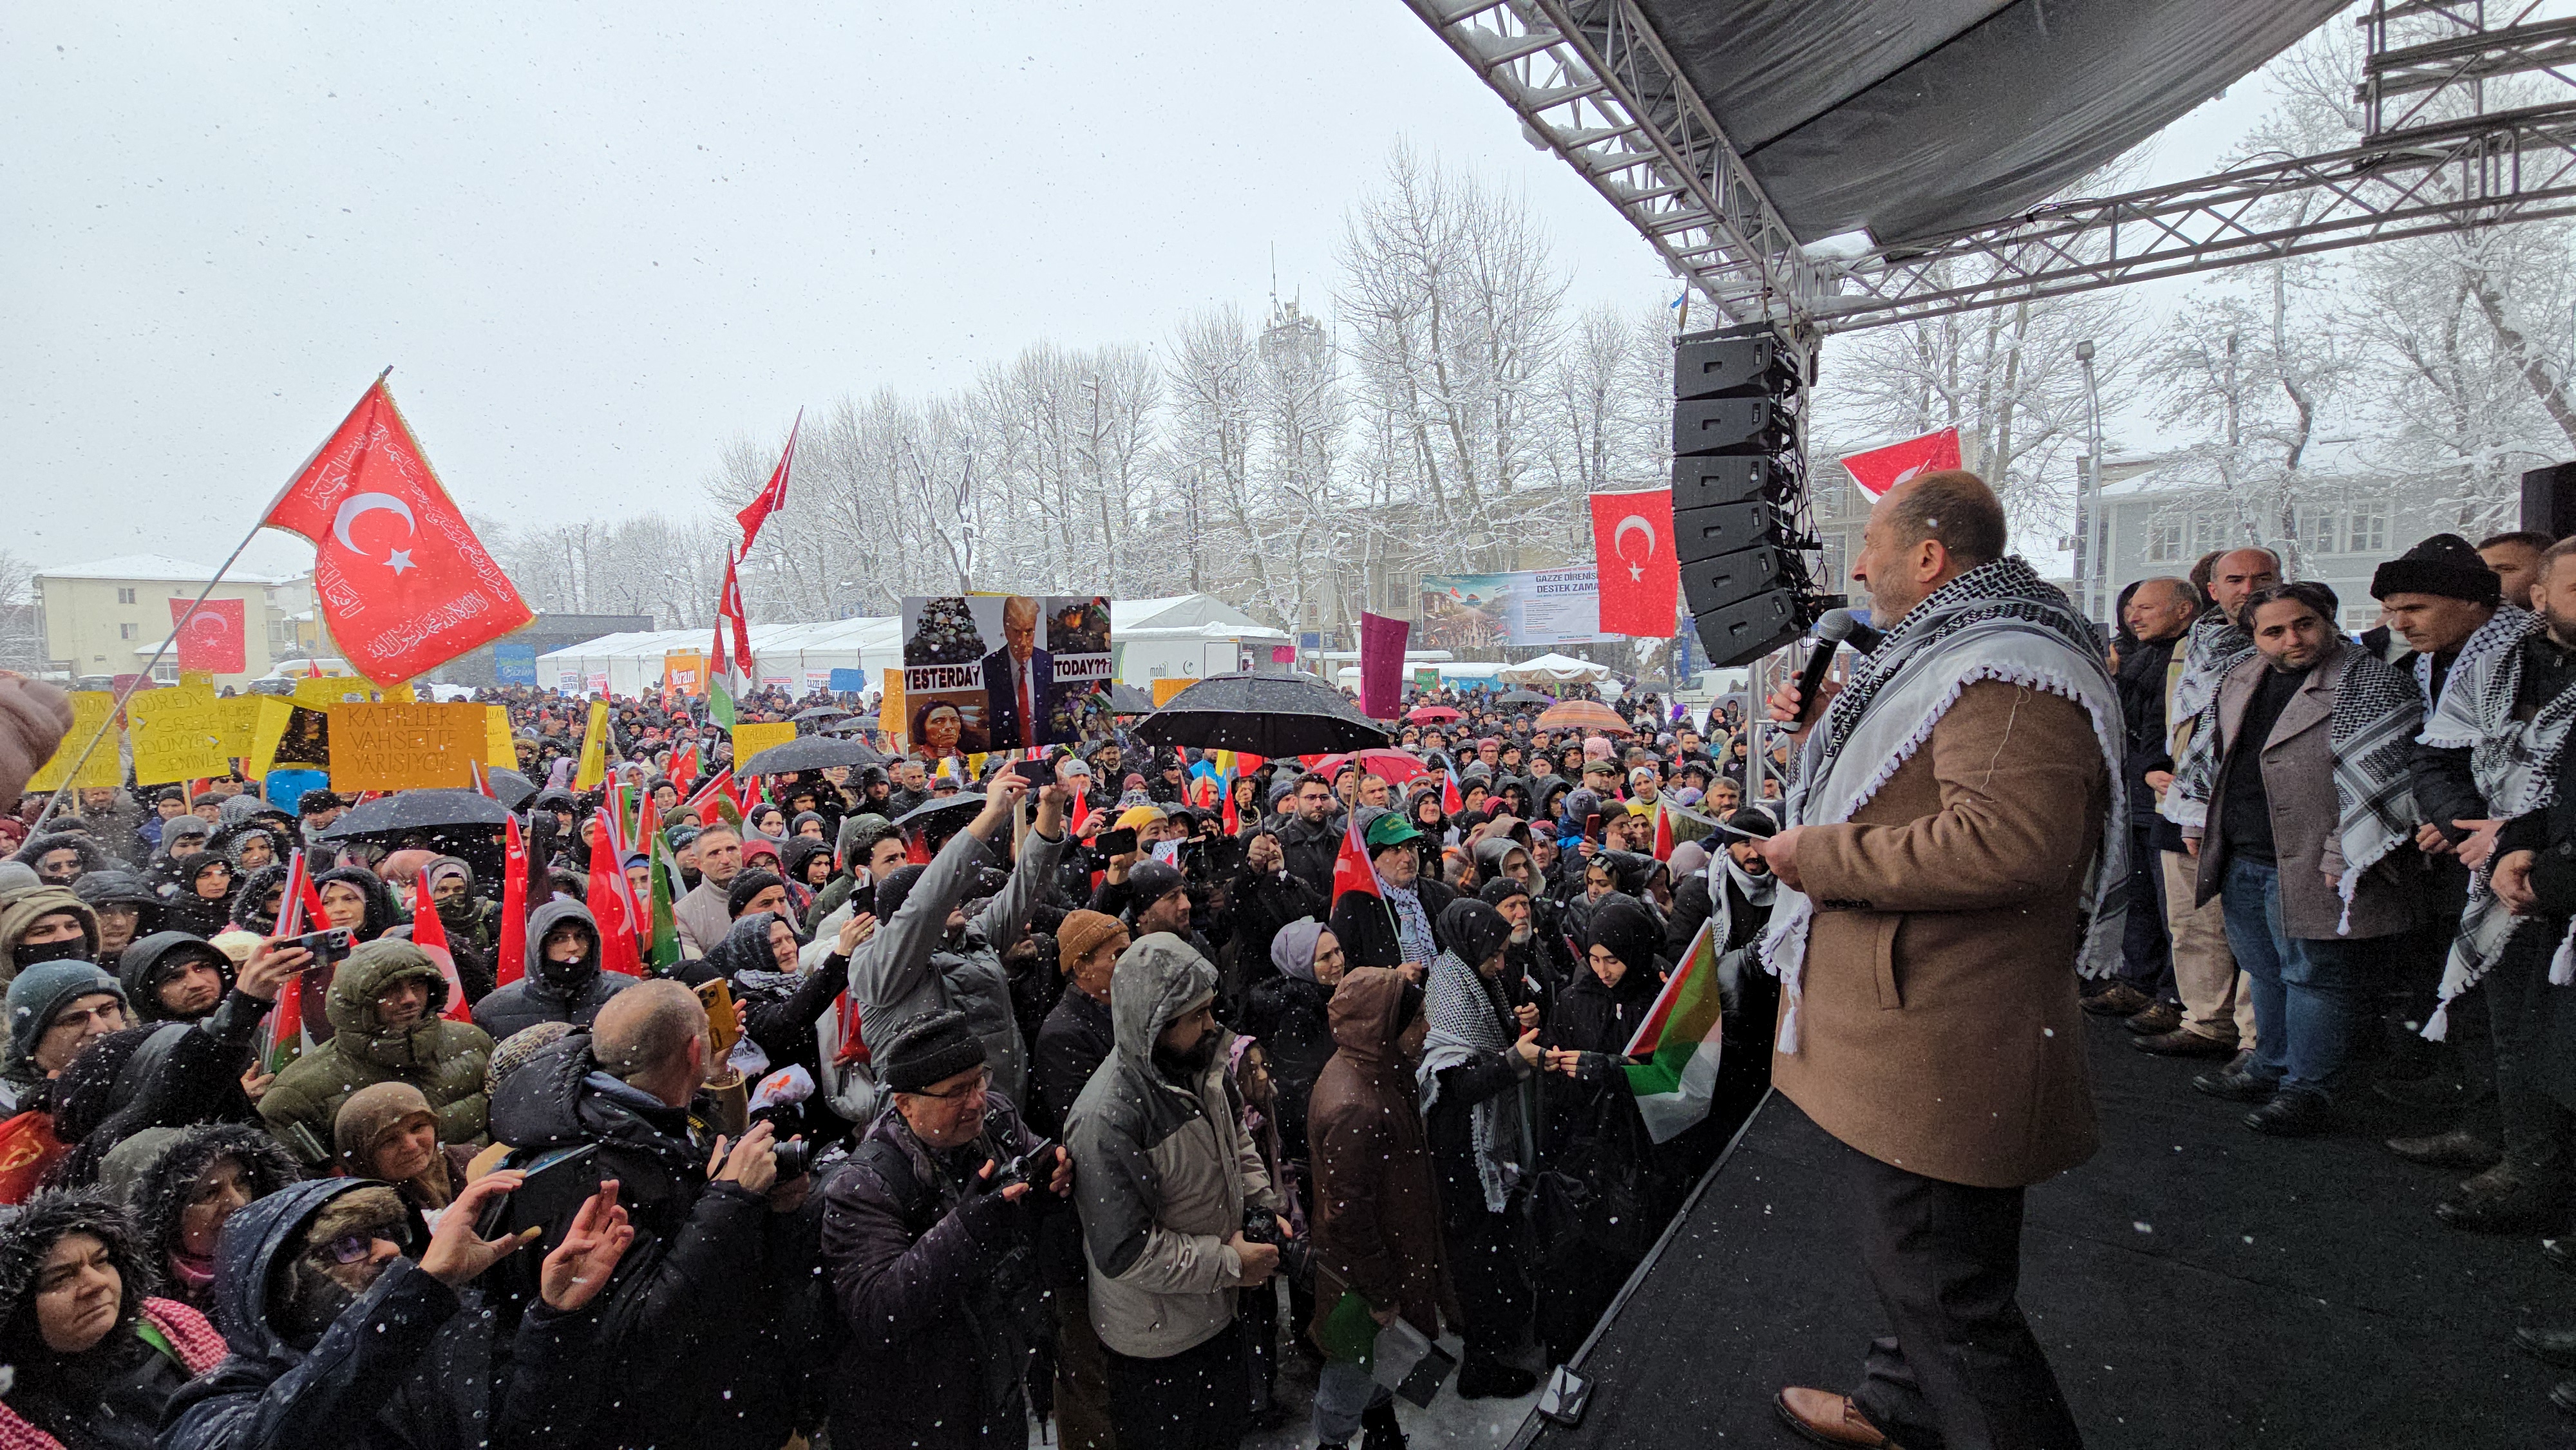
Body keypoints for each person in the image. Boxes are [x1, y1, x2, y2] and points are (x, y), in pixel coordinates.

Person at [1758, 470, 2116, 1450]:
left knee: (1949, 1297)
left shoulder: (2004, 667)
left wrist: (1819, 856)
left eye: (1872, 547)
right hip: (1927, 1019)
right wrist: (1830, 721)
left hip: (1948, 1033)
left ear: (1929, 557)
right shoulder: (1945, 653)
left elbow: (2011, 842)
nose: (1860, 567)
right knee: (1919, 1267)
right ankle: (1902, 1405)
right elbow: (1910, 787)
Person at [480, 979, 820, 1450]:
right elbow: (642, 1340)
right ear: (693, 1048)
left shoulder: (639, 1118)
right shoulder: (595, 1175)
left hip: (729, 1399)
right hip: (676, 1426)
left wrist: (770, 1205)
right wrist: (727, 1199)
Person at [159, 1171, 634, 1450]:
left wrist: (556, 1318)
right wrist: (419, 1292)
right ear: (279, 1284)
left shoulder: (440, 1334)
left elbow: (527, 1438)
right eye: (349, 1244)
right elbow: (290, 1431)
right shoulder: (218, 1401)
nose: (388, 1251)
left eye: (391, 1233)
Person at [1065, 933, 1286, 1450]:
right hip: (1156, 1343)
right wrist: (1231, 1265)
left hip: (1215, 1316)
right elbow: (1126, 1251)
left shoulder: (1198, 1064)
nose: (1212, 1026)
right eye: (1197, 1016)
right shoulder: (1107, 1118)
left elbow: (1236, 1139)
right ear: (1156, 1025)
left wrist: (1260, 1205)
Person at [818, 1008, 1073, 1450]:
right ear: (905, 1103)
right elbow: (877, 1311)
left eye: (979, 1080)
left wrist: (1054, 1180)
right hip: (915, 1415)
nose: (977, 1100)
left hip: (999, 1384)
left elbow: (1030, 1168)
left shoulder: (995, 1120)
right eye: (956, 1092)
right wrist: (965, 1233)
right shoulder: (864, 1184)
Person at [846, 767, 1069, 1124]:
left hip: (1000, 1114)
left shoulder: (973, 937)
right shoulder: (876, 966)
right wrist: (991, 813)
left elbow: (1026, 890)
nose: (954, 899)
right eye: (945, 894)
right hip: (928, 1128)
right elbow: (927, 903)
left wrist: (1052, 808)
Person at [1304, 965, 1445, 1450]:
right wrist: (1382, 1292)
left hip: (1386, 1262)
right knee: (1351, 1370)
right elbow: (1347, 1216)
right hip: (1365, 1280)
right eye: (1418, 1020)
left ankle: (1381, 1431)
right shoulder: (1357, 1106)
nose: (1428, 1029)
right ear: (1385, 1029)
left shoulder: (1376, 1071)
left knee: (1377, 1362)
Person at [1417, 898, 1538, 1398]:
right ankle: (1481, 1363)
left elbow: (1495, 1031)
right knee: (1475, 1250)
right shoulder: (1447, 986)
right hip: (1462, 1147)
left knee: (1494, 1239)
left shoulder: (1477, 975)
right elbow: (1456, 1079)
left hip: (1484, 1140)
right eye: (1496, 954)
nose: (1501, 964)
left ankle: (1501, 1331)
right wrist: (1513, 1061)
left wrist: (1520, 1023)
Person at [0, 1189, 230, 1450]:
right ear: (15, 1310)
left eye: (102, 1262)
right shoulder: (12, 1424)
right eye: (61, 1277)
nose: (97, 1283)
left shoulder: (169, 1324)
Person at [256, 940, 494, 1166]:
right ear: (356, 1002)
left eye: (417, 985)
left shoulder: (471, 1043)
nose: (409, 999)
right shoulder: (297, 1093)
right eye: (391, 989)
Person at [2087, 575, 2201, 1036]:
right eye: (2132, 608)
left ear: (2184, 610)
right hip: (2135, 795)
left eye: (2146, 609)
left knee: (2176, 906)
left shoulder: (2193, 658)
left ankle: (2177, 997)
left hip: (2170, 798)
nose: (2134, 617)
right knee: (2140, 898)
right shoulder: (2137, 658)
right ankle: (2139, 979)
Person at [104, 1122, 301, 1314]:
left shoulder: (295, 1261)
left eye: (241, 1182)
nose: (238, 1202)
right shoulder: (140, 1320)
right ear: (167, 1220)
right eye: (209, 1194)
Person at [472, 900, 631, 1042]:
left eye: (581, 936)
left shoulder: (627, 994)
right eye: (559, 939)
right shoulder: (495, 1010)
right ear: (540, 946)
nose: (573, 947)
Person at [1329, 813, 1452, 981]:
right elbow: (1345, 967)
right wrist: (1390, 976)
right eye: (1395, 850)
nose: (1407, 858)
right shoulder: (1355, 903)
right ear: (1375, 861)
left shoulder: (1441, 894)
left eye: (1411, 847)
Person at [333, 1081, 473, 1218]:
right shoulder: (369, 1216)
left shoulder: (472, 1160)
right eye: (389, 1140)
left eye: (418, 1127)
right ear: (361, 1158)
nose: (411, 1146)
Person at [981, 596, 1057, 751]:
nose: (1023, 642)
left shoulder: (1049, 664)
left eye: (1029, 632)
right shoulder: (987, 669)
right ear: (1006, 629)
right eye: (1016, 632)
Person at [672, 822, 746, 957]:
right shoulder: (683, 914)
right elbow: (701, 972)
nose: (725, 860)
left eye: (731, 849)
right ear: (699, 864)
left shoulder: (771, 891)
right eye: (714, 853)